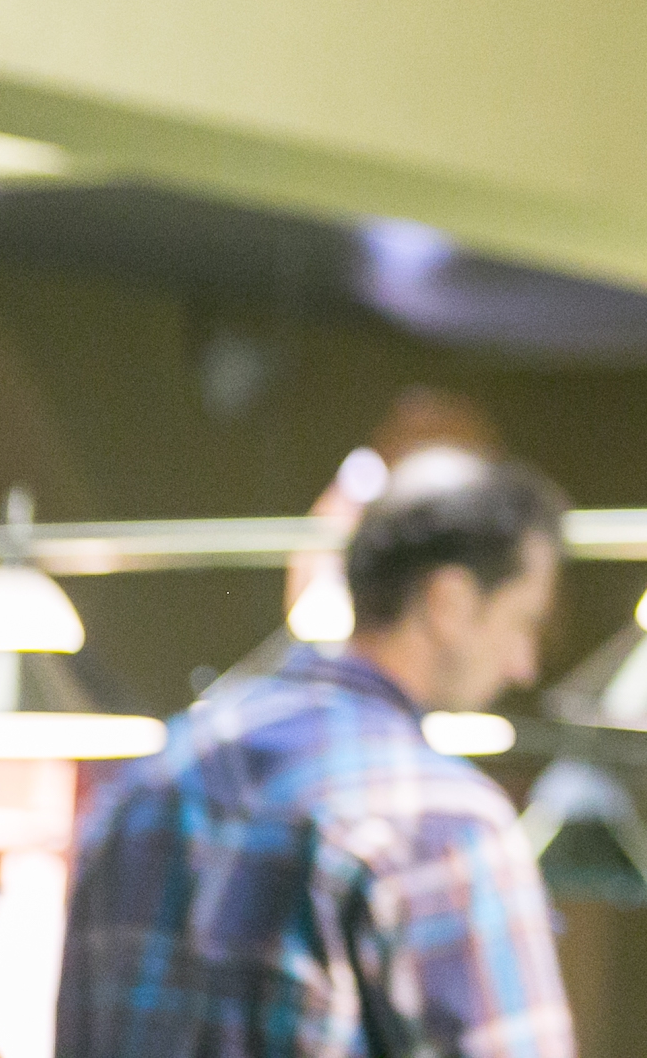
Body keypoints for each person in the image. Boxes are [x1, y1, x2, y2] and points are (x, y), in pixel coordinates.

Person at [58, 448, 575, 1058]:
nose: (523, 665)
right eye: (523, 622)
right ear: (449, 602)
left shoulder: (147, 782)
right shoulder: (443, 820)